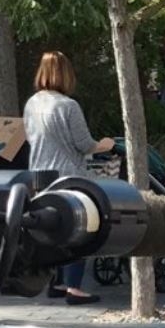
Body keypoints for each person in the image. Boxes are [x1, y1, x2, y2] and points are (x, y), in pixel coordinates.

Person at [23, 51, 115, 305]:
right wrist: (105, 144)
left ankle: (57, 281)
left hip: (40, 174)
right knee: (81, 227)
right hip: (68, 175)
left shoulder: (32, 103)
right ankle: (74, 287)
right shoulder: (68, 106)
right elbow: (84, 144)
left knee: (53, 230)